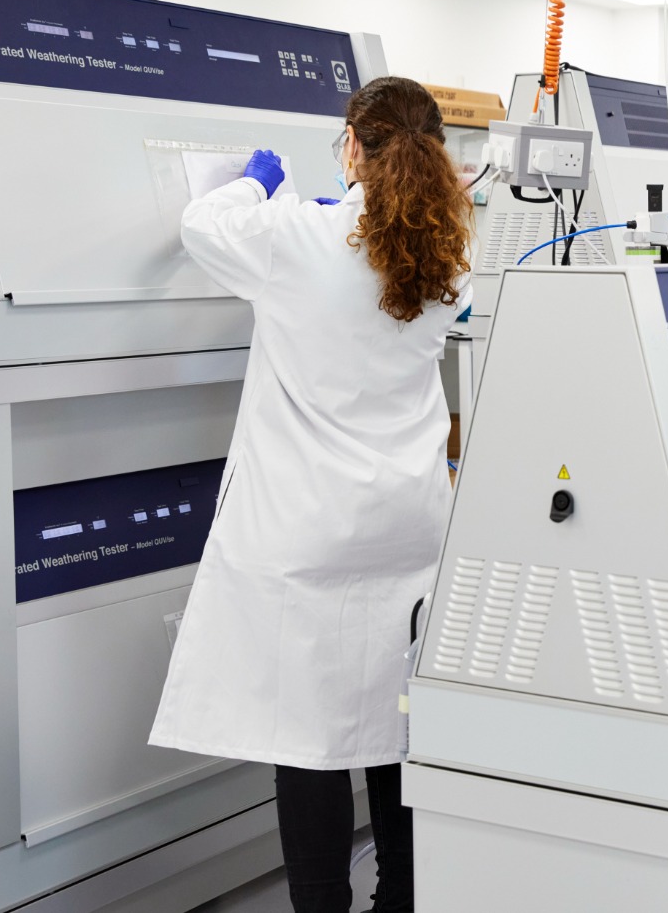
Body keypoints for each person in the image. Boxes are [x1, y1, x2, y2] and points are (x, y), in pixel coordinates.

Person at [150, 76, 475, 913]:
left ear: (354, 146)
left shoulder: (296, 236)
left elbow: (201, 224)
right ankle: (402, 898)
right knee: (395, 726)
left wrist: (256, 182)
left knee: (312, 735)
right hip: (406, 523)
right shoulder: (444, 253)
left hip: (309, 530)